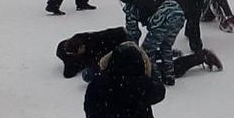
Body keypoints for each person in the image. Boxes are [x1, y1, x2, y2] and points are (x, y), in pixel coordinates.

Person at [56, 27, 222, 82]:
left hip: (124, 47)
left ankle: (196, 57)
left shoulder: (94, 41)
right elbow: (68, 72)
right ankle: (172, 55)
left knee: (159, 70)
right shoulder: (71, 50)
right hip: (120, 55)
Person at [114, 0, 185, 86]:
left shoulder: (131, 8)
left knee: (147, 52)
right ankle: (169, 75)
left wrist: (134, 51)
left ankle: (156, 79)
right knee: (166, 46)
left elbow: (133, 34)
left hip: (161, 19)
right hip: (178, 13)